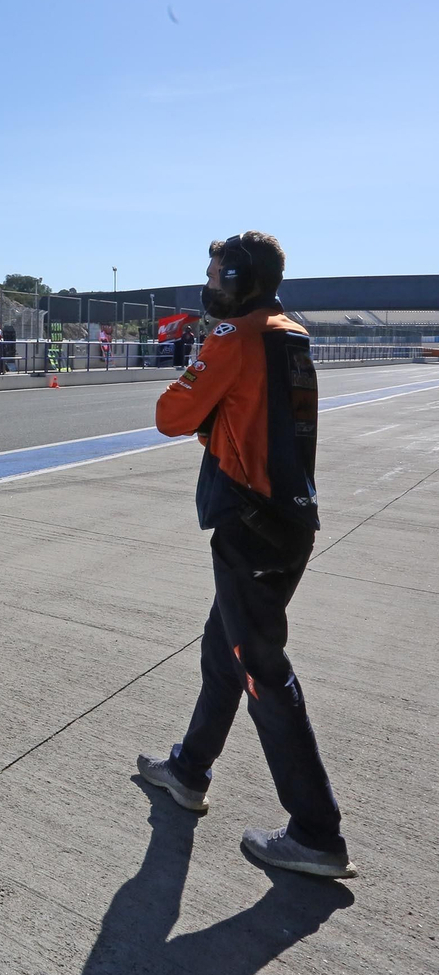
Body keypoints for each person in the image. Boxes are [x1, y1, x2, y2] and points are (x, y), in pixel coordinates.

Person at [137, 231, 356, 879]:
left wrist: (197, 383)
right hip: (289, 520)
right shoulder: (290, 331)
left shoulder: (233, 339)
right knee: (220, 648)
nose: (207, 282)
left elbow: (170, 415)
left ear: (238, 276)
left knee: (261, 670)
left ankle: (317, 830)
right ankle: (188, 769)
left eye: (214, 273)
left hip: (252, 527)